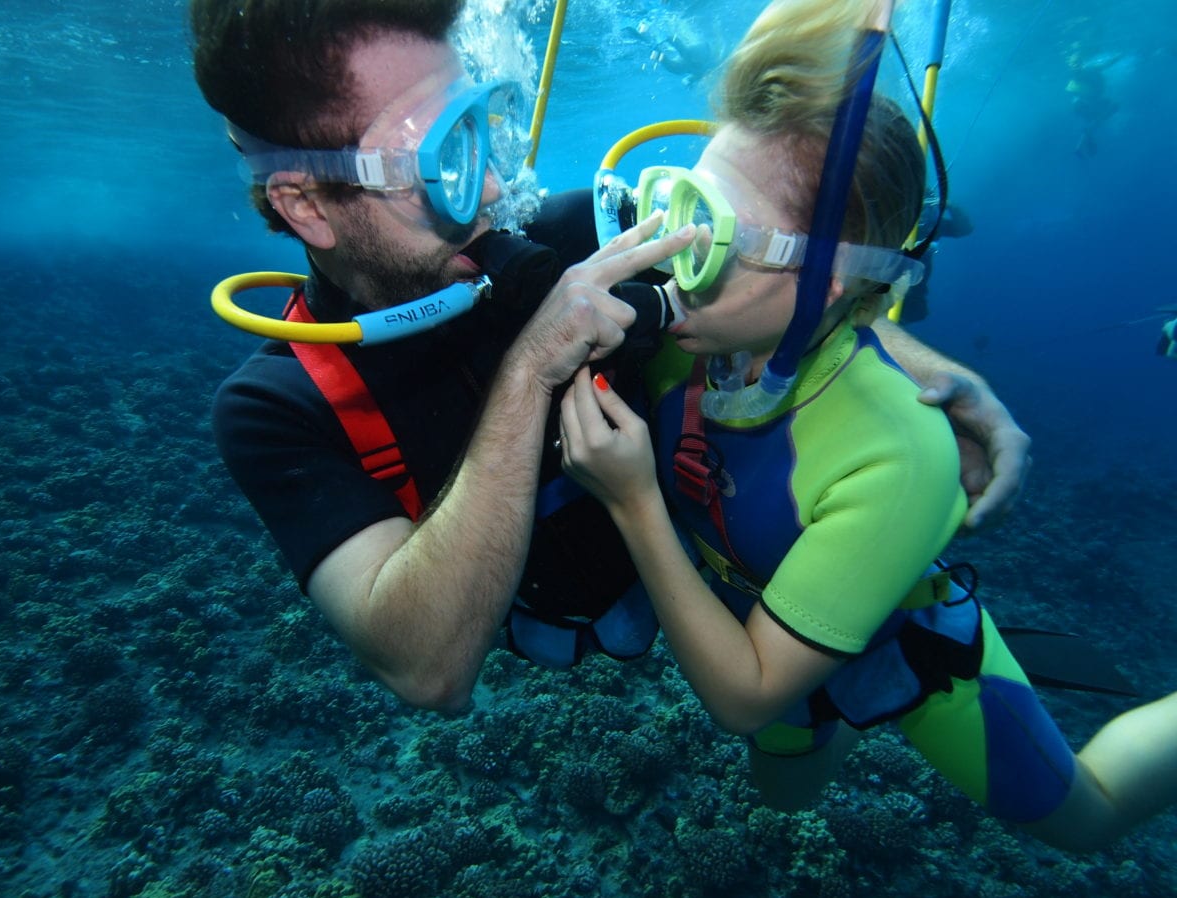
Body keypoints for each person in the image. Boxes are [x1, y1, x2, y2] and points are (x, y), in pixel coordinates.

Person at [190, 0, 1031, 715]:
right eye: (440, 161)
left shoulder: (569, 235)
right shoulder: (281, 406)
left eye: (486, 124)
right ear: (306, 205)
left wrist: (919, 365)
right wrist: (530, 371)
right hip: (572, 616)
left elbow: (782, 266)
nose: (490, 190)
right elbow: (428, 669)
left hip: (717, 590)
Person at [560, 0, 1177, 852]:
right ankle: (837, 693)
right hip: (757, 619)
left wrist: (632, 503)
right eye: (675, 207)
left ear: (839, 282)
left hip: (906, 652)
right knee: (784, 800)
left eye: (712, 241)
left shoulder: (901, 455)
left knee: (1087, 823)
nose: (665, 255)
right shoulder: (686, 332)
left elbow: (744, 696)